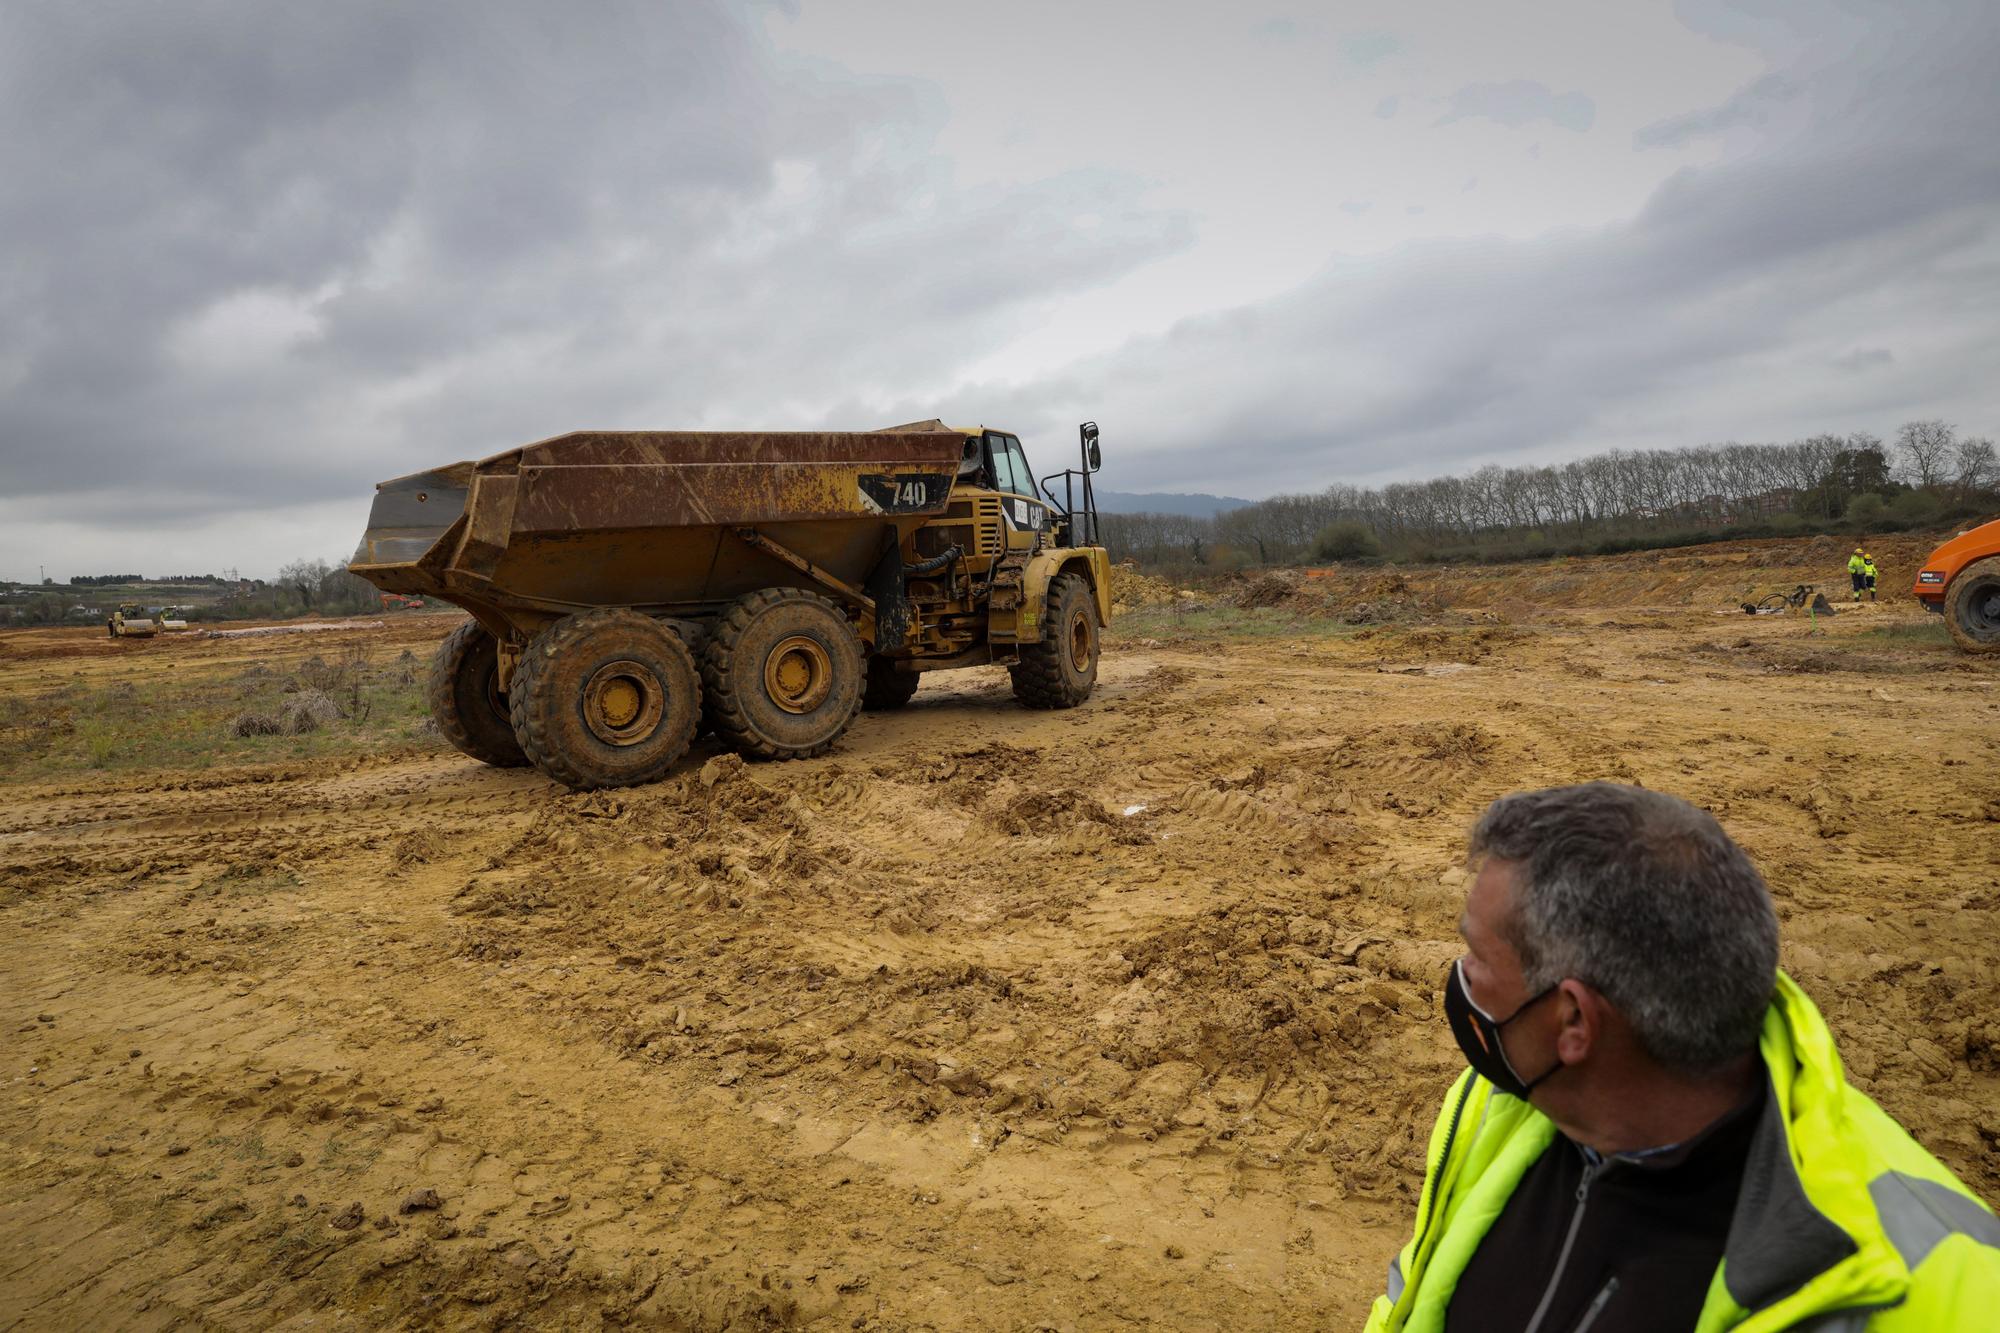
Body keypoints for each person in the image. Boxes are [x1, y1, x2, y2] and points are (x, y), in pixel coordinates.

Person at [1366, 783, 2000, 1332]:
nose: (1460, 980)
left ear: (1574, 1022)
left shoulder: (1940, 1284)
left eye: (1475, 958)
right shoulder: (1501, 1108)